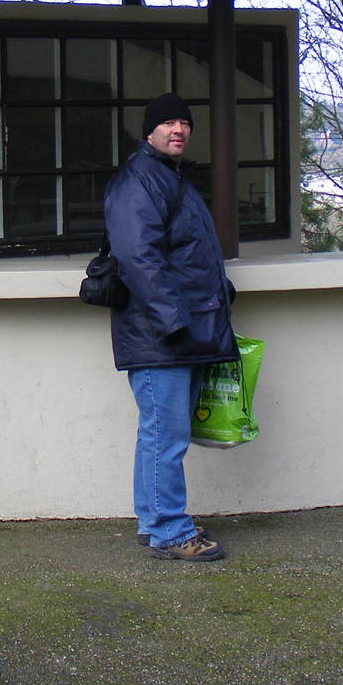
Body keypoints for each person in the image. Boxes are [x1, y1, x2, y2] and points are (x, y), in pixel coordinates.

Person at [103, 92, 237, 562]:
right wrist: (173, 322)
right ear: (150, 131)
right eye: (168, 123)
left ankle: (153, 521)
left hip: (179, 328)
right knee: (166, 436)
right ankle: (170, 531)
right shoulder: (139, 180)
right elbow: (138, 259)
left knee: (158, 434)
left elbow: (186, 252)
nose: (178, 129)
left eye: (185, 123)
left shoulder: (168, 176)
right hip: (162, 334)